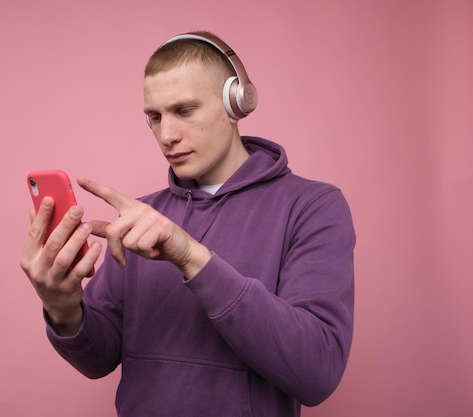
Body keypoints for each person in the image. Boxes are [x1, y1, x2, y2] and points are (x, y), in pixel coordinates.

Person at [20, 31, 355, 417]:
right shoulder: (140, 218)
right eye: (154, 117)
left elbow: (316, 372)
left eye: (184, 110)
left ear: (236, 103)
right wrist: (64, 309)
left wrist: (191, 257)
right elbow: (98, 360)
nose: (167, 136)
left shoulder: (313, 206)